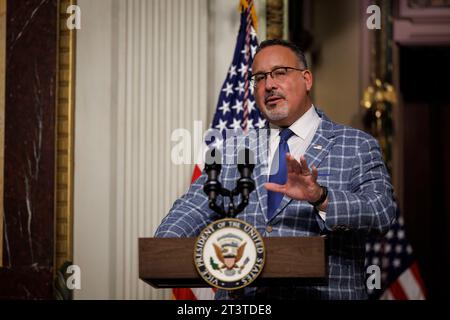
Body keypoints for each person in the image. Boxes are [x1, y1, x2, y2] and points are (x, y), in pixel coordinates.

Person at [155, 39, 397, 299]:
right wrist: (162, 250)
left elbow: (382, 212)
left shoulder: (356, 145)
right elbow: (192, 208)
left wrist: (322, 198)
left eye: (280, 73)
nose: (269, 85)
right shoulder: (231, 151)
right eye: (259, 78)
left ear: (306, 79)